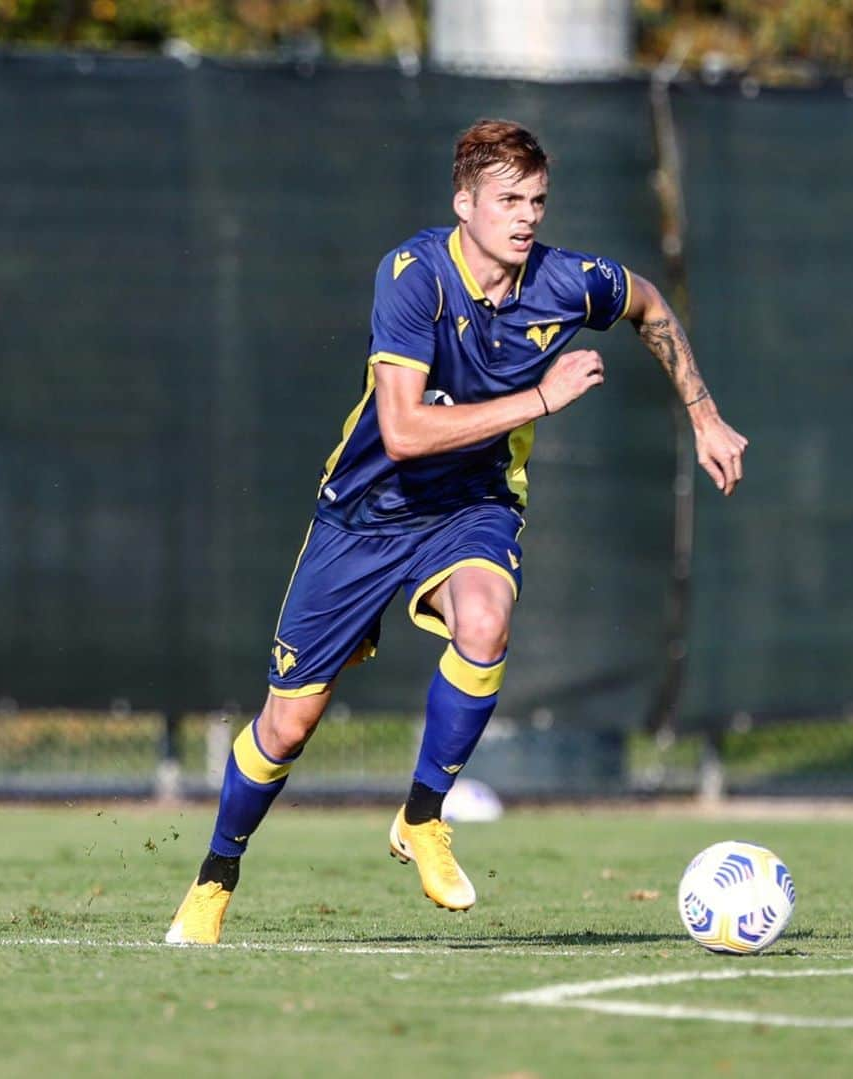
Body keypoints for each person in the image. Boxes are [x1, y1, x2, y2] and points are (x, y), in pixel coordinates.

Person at [166, 118, 748, 944]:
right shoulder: (412, 278)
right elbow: (402, 434)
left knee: (485, 619)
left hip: (472, 506)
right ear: (463, 203)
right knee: (287, 725)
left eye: (537, 200)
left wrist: (705, 415)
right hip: (366, 512)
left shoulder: (565, 281)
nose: (526, 217)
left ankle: (423, 816)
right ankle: (216, 874)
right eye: (508, 199)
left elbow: (648, 302)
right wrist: (539, 399)